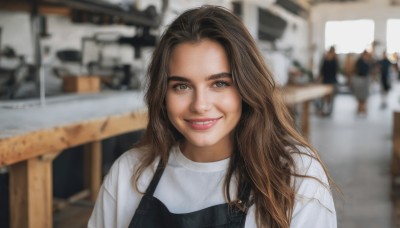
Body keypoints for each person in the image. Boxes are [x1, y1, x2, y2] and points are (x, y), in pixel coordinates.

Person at [88, 5, 336, 228]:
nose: (200, 105)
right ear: (162, 93)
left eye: (219, 83)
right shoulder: (129, 173)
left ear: (247, 86)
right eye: (181, 86)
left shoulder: (293, 174)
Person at [317, 46, 339, 116]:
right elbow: (322, 71)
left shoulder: (334, 60)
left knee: (329, 98)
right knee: (325, 97)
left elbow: (322, 71)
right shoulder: (328, 59)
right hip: (328, 80)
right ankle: (325, 110)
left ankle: (327, 111)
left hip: (330, 81)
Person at [352, 50, 372, 115]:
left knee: (364, 96)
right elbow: (358, 70)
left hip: (365, 80)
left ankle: (362, 109)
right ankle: (360, 109)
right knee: (360, 95)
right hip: (360, 80)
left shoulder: (367, 61)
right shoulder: (360, 61)